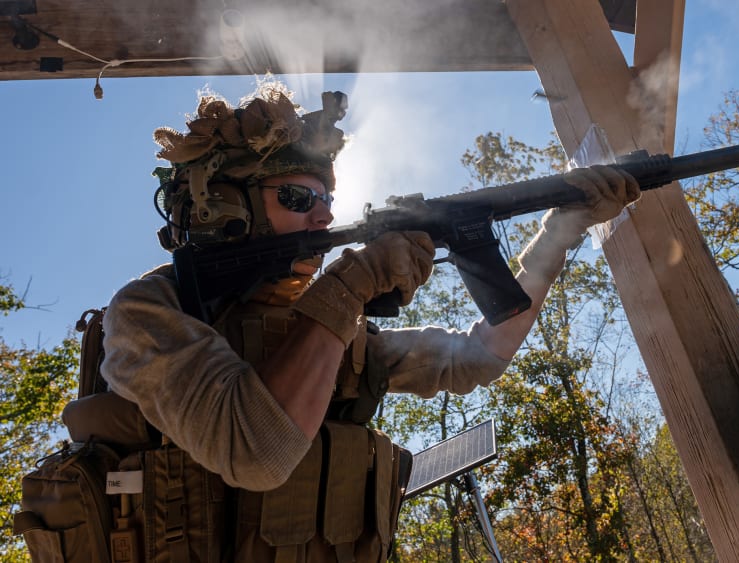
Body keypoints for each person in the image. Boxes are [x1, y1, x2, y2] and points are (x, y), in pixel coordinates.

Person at [60, 80, 639, 562]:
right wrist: (352, 286)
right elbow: (256, 451)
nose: (323, 215)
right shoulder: (148, 311)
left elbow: (479, 357)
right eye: (295, 197)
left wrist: (562, 231)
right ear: (226, 205)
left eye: (326, 201)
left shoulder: (336, 329)